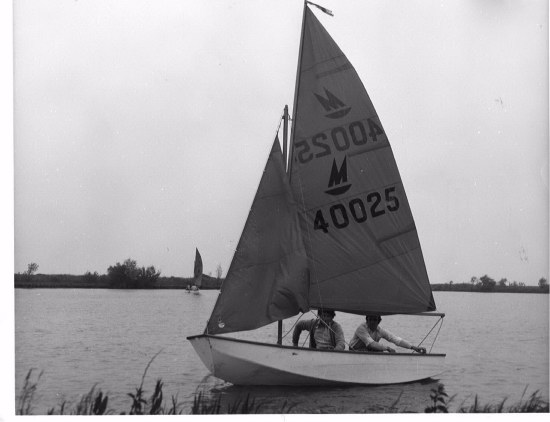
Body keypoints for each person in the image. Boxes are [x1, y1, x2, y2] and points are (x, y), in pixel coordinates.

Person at [349, 314, 426, 353]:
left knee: (380, 351)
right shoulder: (361, 328)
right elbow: (371, 343)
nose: (372, 322)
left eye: (374, 320)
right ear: (367, 320)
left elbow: (395, 339)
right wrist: (388, 348)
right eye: (370, 319)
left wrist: (414, 347)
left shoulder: (380, 330)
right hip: (354, 350)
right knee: (379, 350)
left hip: (368, 349)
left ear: (378, 321)